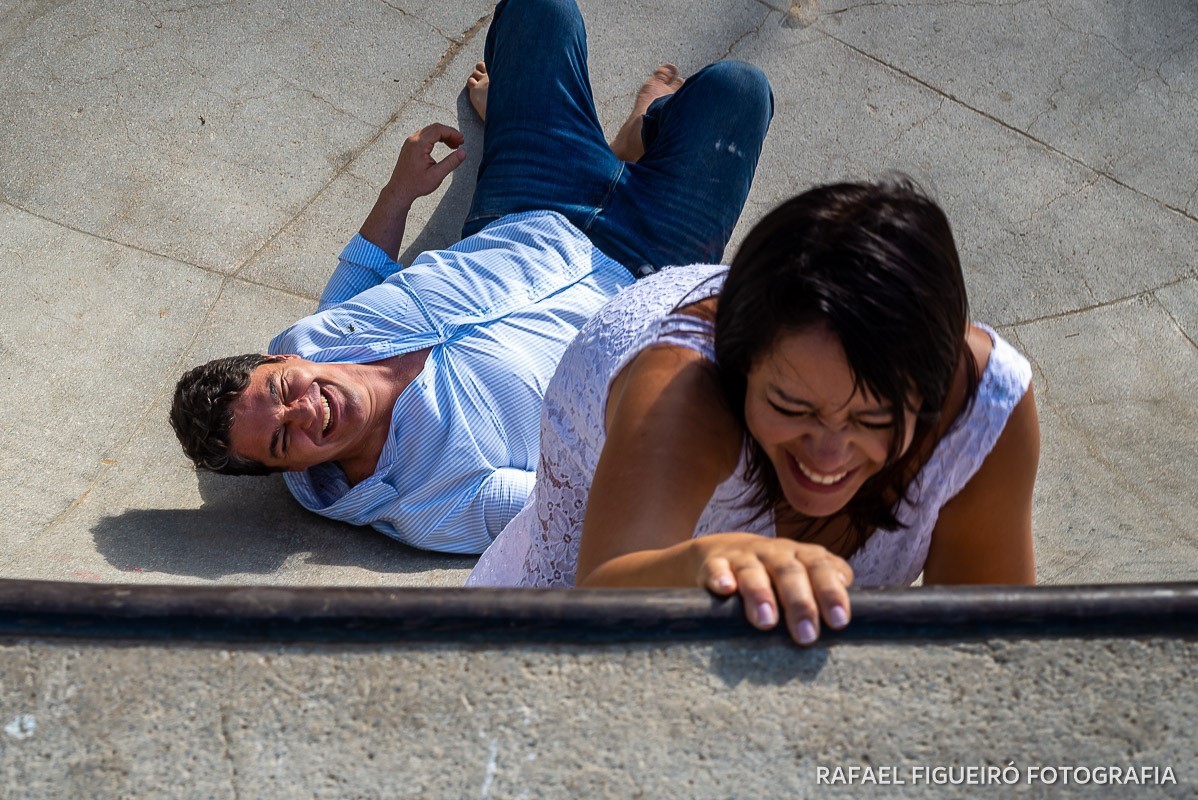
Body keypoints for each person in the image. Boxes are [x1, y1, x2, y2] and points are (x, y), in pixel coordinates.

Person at [168, 0, 774, 554]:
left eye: (280, 392)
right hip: (651, 270)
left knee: (539, 11)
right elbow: (577, 504)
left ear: (277, 362)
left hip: (531, 199)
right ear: (291, 472)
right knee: (738, 89)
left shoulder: (311, 339)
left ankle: (623, 139)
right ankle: (644, 132)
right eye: (283, 441)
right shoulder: (430, 501)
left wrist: (400, 189)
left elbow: (363, 269)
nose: (305, 412)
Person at [467, 181, 1041, 645]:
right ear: (739, 367)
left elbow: (988, 654)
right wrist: (707, 561)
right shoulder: (683, 391)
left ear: (935, 397)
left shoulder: (981, 413)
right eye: (792, 407)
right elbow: (602, 595)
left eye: (872, 420)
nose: (828, 454)